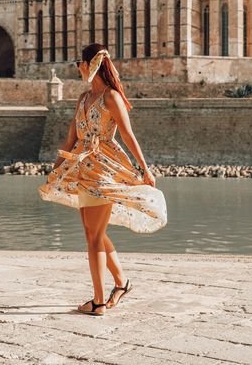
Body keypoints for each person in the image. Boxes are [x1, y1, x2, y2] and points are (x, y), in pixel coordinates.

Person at [39, 43, 167, 317]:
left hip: (106, 169)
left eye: (80, 62)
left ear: (91, 64)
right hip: (83, 170)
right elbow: (71, 138)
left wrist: (145, 169)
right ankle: (122, 284)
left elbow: (128, 135)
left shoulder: (112, 98)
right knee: (91, 233)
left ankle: (98, 301)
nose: (77, 67)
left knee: (94, 235)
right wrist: (56, 169)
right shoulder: (83, 98)